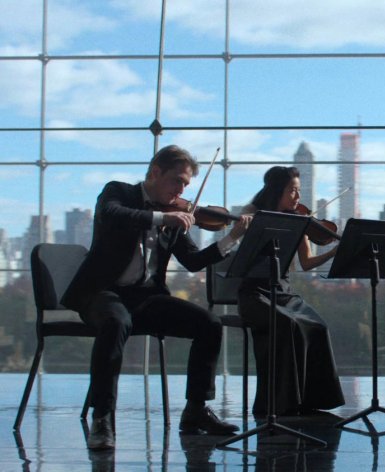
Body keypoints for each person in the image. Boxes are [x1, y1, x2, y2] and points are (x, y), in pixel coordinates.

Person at [61, 145, 252, 450]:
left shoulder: (176, 214)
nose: (181, 190)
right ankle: (103, 418)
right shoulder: (119, 193)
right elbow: (113, 215)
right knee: (115, 321)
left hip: (144, 297)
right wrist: (162, 217)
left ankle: (195, 411)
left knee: (209, 323)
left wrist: (231, 238)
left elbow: (192, 261)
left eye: (186, 185)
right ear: (154, 173)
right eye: (176, 180)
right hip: (100, 292)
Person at [238, 166, 345, 418]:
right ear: (277, 190)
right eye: (293, 190)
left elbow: (306, 263)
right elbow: (243, 223)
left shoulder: (297, 220)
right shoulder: (254, 213)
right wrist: (249, 222)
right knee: (288, 326)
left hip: (283, 292)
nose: (298, 197)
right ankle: (282, 404)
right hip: (254, 293)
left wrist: (331, 252)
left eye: (298, 190)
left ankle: (311, 400)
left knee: (317, 326)